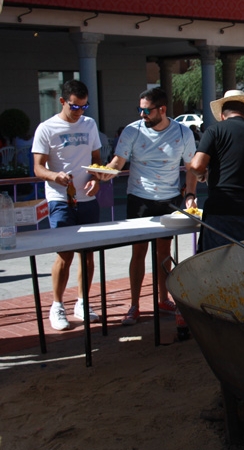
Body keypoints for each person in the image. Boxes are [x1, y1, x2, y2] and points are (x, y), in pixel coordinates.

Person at [104, 88, 198, 326]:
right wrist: (104, 174)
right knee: (139, 252)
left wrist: (190, 195)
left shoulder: (182, 132)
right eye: (140, 109)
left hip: (168, 200)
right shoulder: (132, 130)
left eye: (146, 110)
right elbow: (117, 162)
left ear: (162, 110)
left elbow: (191, 168)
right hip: (139, 198)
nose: (142, 114)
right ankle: (134, 305)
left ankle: (163, 299)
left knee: (164, 253)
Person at [32, 80, 103, 331]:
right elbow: (38, 167)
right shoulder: (46, 128)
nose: (79, 112)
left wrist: (96, 179)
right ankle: (57, 305)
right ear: (62, 101)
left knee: (88, 254)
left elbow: (97, 160)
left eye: (84, 107)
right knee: (65, 254)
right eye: (75, 106)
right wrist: (55, 176)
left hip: (87, 199)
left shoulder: (90, 124)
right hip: (60, 199)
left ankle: (83, 302)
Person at [188, 90, 244, 251]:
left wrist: (201, 175)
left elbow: (196, 165)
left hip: (221, 211)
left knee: (216, 266)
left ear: (223, 115)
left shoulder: (214, 131)